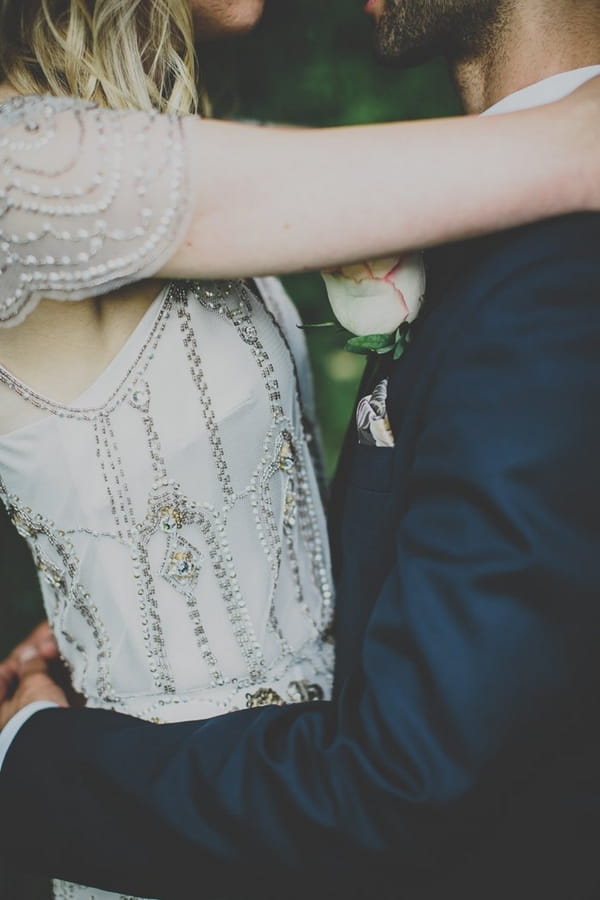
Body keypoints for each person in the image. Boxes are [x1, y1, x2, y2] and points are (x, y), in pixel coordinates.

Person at [0, 0, 600, 898]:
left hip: (290, 792)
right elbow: (566, 148)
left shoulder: (176, 137)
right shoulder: (26, 166)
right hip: (201, 821)